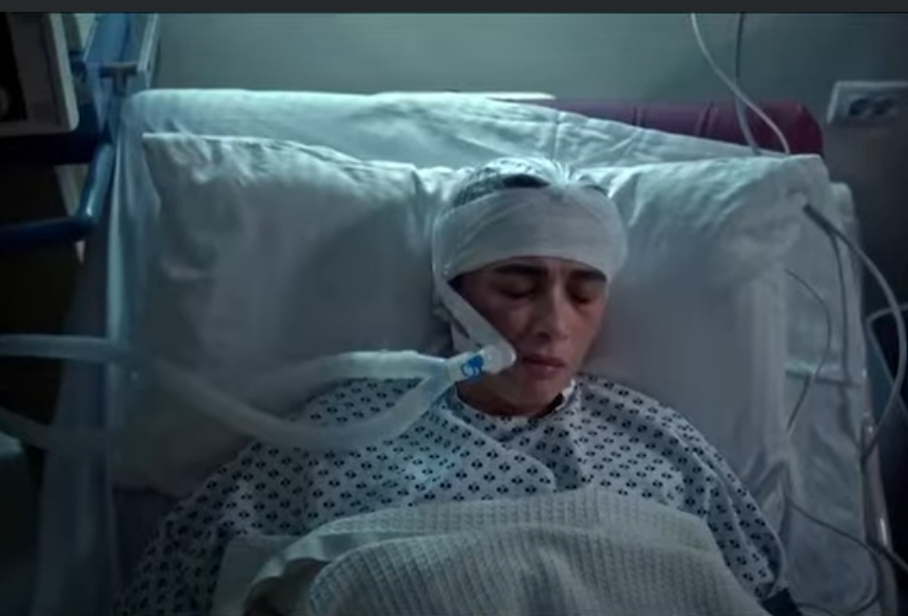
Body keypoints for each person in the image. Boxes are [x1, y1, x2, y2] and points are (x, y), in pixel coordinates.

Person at [114, 158, 800, 616]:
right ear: (452, 297)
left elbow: (757, 594)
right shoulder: (332, 435)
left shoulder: (661, 440)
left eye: (584, 293)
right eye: (517, 287)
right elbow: (175, 584)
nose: (554, 323)